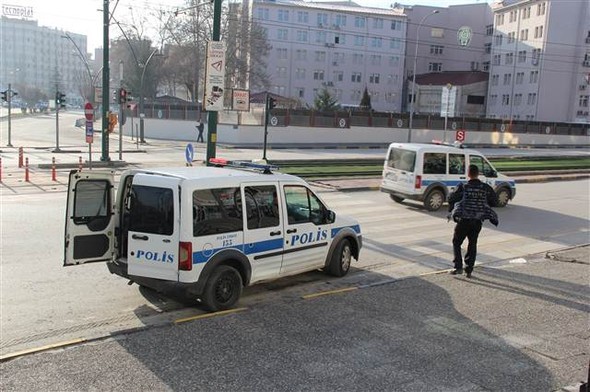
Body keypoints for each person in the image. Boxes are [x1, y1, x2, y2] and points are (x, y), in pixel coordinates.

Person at [447, 164, 499, 278]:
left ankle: (458, 267)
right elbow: (495, 201)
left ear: (468, 174)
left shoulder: (463, 186)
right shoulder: (485, 187)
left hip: (464, 220)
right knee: (473, 243)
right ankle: (469, 269)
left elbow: (451, 198)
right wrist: (482, 204)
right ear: (477, 173)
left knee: (456, 242)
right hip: (477, 221)